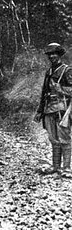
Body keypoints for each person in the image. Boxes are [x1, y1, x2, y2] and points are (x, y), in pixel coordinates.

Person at [34, 43, 72, 178]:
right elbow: (44, 92)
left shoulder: (66, 70)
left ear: (60, 55)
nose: (51, 57)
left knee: (65, 139)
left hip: (62, 109)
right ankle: (56, 166)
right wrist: (39, 111)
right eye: (49, 54)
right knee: (53, 139)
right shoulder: (49, 71)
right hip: (49, 109)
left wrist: (60, 89)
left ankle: (67, 168)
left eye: (54, 54)